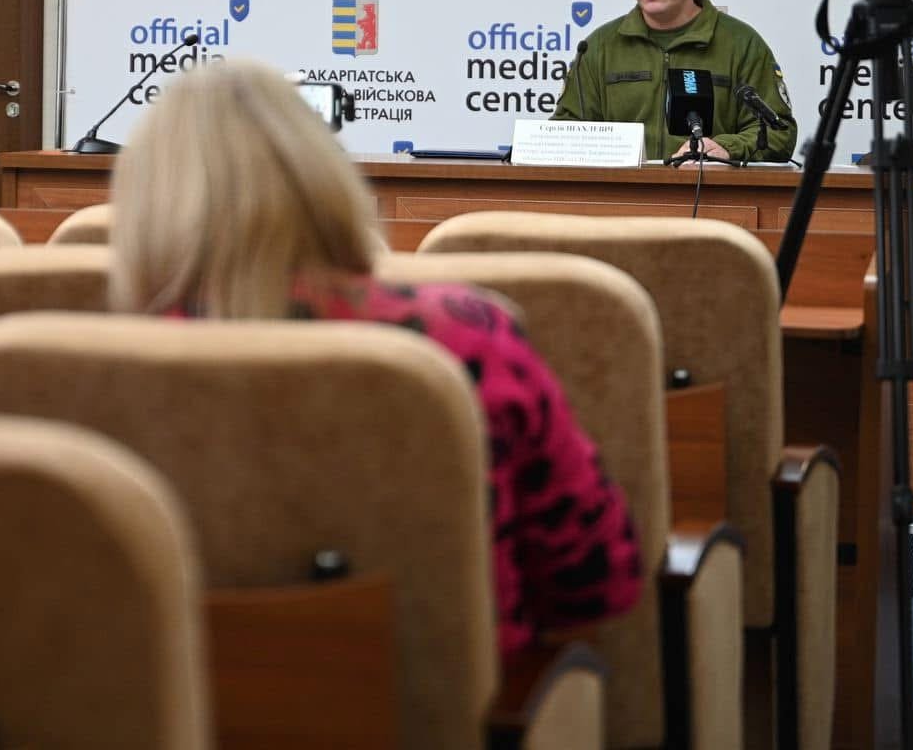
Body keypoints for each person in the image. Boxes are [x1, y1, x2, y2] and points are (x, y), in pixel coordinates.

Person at [109, 58, 642, 658]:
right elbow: (598, 581)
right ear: (325, 175)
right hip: (445, 695)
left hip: (181, 697)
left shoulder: (101, 367)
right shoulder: (466, 337)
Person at [552, 0, 798, 163]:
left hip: (709, 187)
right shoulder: (598, 47)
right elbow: (564, 133)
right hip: (622, 188)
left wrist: (726, 149)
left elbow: (779, 134)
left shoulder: (741, 44)